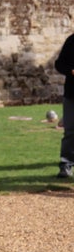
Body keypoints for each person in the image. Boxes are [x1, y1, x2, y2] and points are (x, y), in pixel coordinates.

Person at [55, 33, 74, 178]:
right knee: (70, 130)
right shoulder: (72, 41)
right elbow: (59, 64)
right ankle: (66, 164)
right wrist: (71, 70)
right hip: (72, 95)